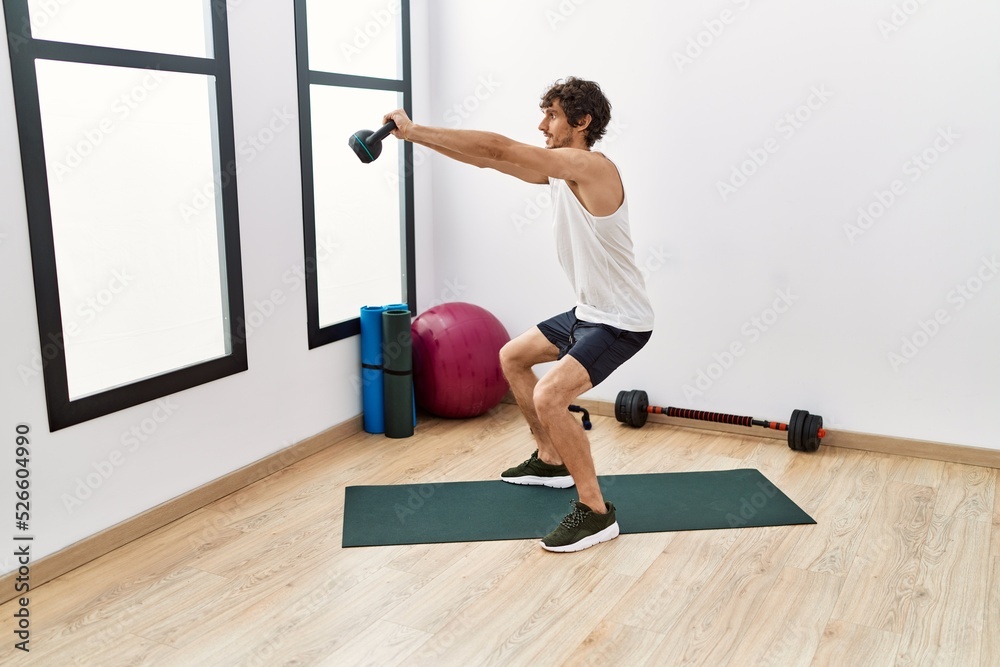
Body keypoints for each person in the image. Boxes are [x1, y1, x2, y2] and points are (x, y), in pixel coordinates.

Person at [383, 77, 653, 552]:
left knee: (551, 395)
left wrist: (414, 130)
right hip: (588, 311)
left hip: (620, 320)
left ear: (582, 122)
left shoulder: (590, 167)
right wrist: (418, 141)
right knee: (512, 357)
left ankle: (595, 511)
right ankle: (550, 459)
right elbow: (489, 157)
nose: (541, 125)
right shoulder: (559, 171)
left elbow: (499, 146)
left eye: (551, 115)